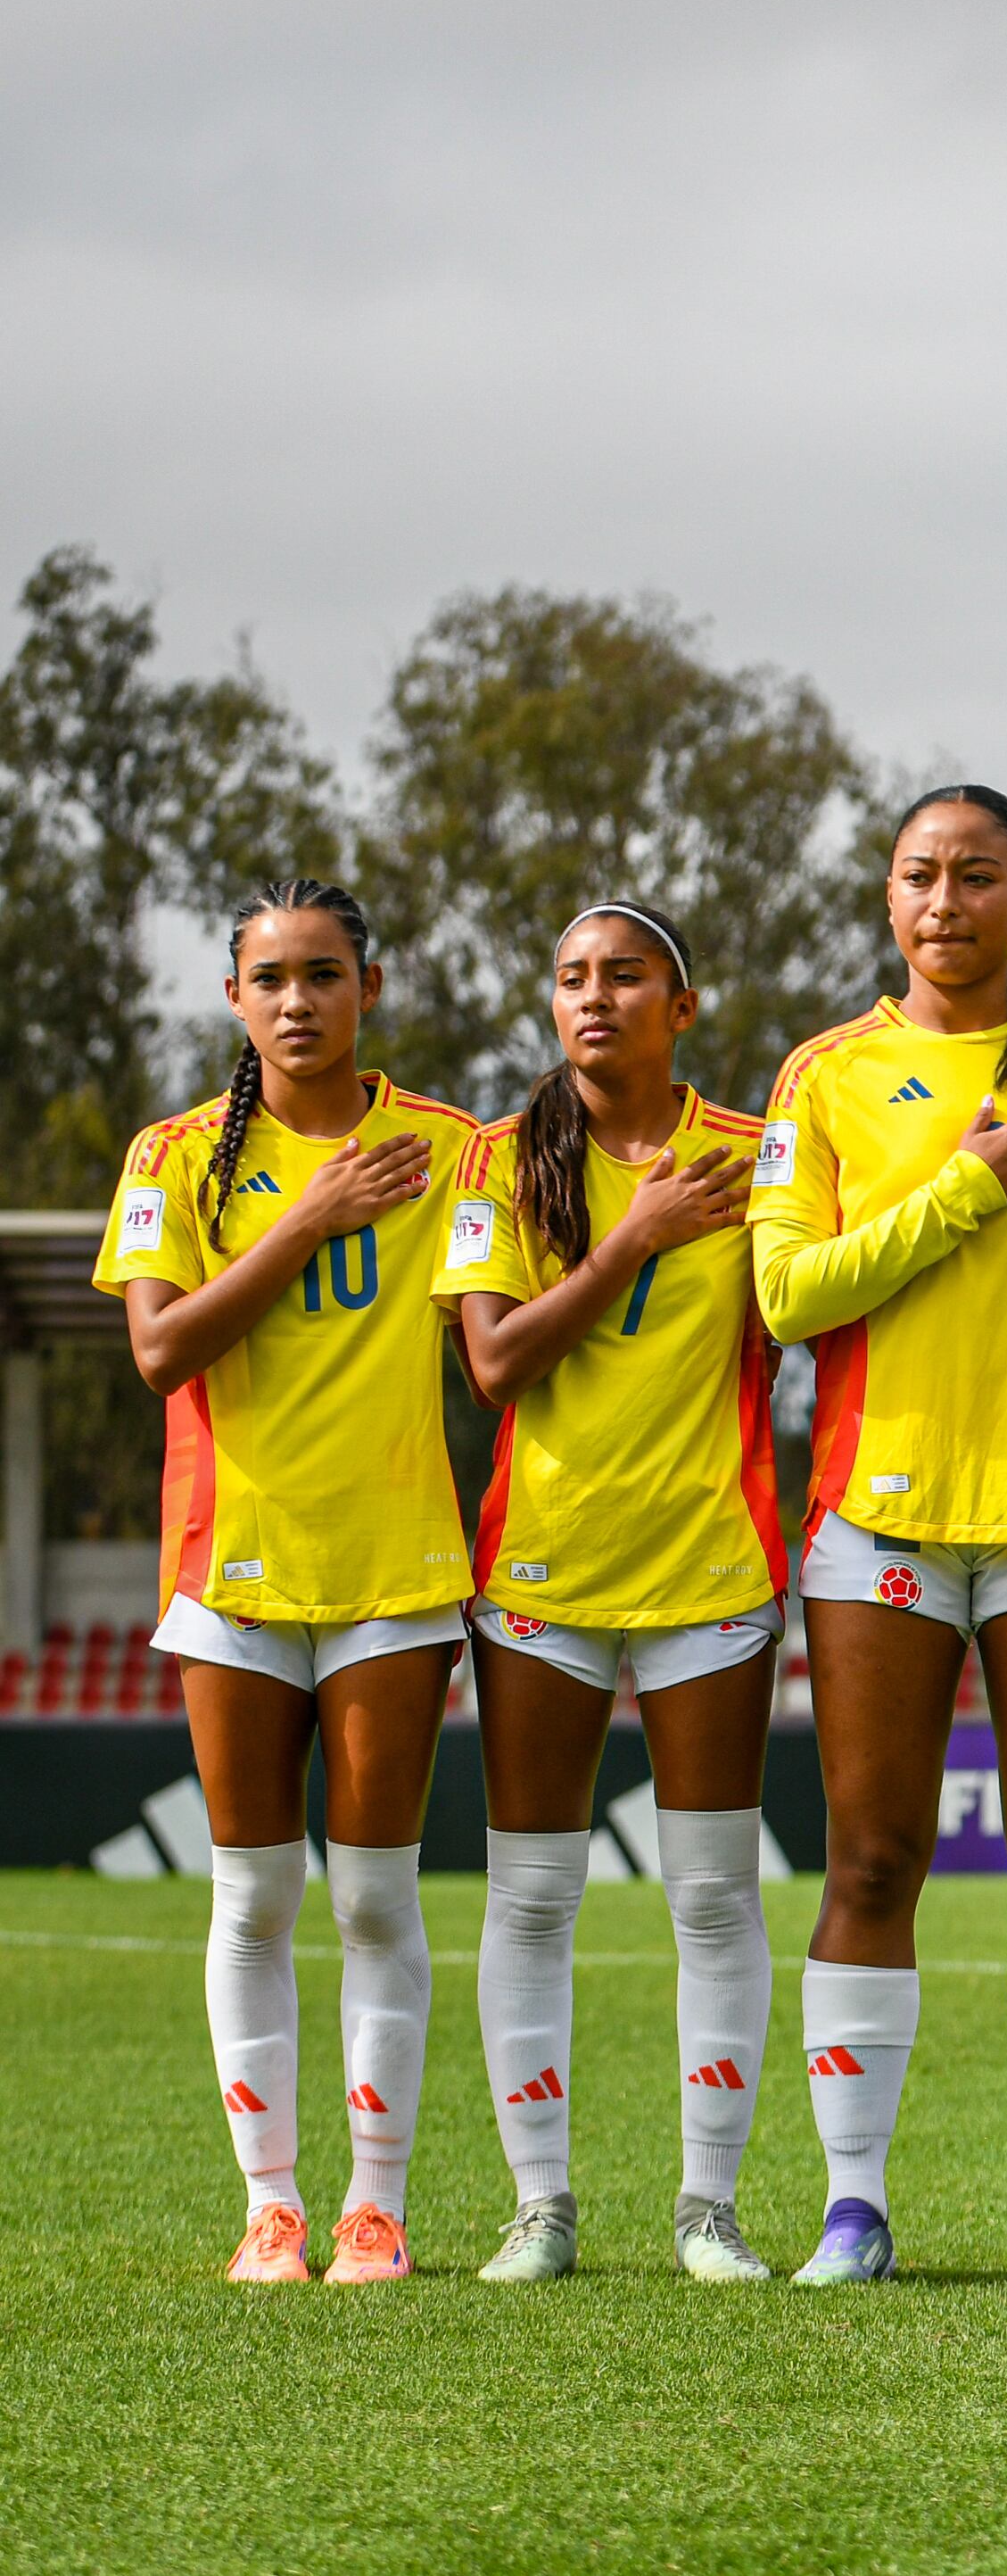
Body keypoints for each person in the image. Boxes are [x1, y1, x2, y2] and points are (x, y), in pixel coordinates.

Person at [750, 784, 1007, 2287]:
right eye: (920, 874)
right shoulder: (826, 1074)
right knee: (872, 1857)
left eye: (978, 877)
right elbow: (793, 1297)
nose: (945, 900)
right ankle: (852, 2208)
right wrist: (969, 1184)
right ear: (887, 897)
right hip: (883, 1512)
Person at [98, 876, 477, 2285]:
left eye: (325, 974)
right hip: (232, 1563)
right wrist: (307, 1219)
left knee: (378, 1897)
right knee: (252, 1896)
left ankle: (376, 2206)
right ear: (233, 998)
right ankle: (273, 2205)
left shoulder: (446, 1145)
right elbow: (160, 1352)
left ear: (369, 988)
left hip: (397, 1561)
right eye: (272, 977)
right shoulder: (174, 1157)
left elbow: (504, 1330)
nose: (298, 1000)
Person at [440, 904, 786, 2285]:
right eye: (574, 977)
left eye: (625, 975)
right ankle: (542, 2205)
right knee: (531, 1898)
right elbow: (496, 1366)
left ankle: (710, 2207)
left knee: (712, 1898)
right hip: (545, 1566)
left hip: (710, 1558)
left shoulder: (762, 1158)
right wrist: (631, 1236)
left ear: (682, 1007)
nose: (595, 998)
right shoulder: (496, 1161)